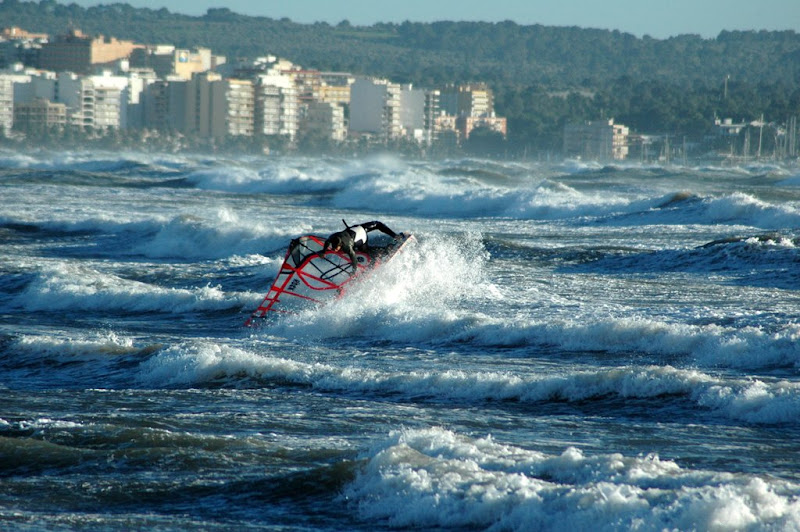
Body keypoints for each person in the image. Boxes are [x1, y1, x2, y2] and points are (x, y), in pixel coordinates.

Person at [319, 220, 400, 274]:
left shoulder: (347, 246)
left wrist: (353, 271)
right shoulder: (333, 237)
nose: (334, 250)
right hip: (356, 228)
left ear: (340, 245)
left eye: (336, 248)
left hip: (360, 236)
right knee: (377, 224)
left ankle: (387, 250)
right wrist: (323, 251)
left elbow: (353, 259)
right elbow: (327, 242)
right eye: (333, 248)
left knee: (365, 251)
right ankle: (396, 236)